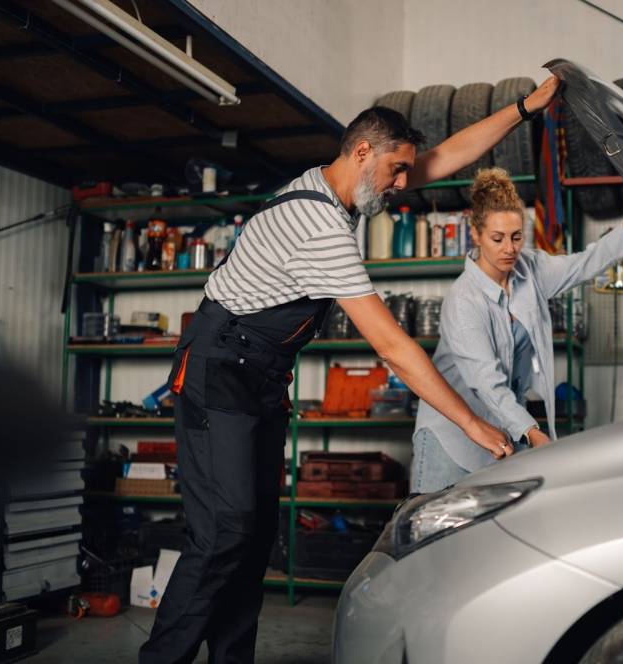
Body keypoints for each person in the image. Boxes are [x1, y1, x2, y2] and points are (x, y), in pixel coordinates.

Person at [139, 76, 561, 664]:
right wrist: (472, 423)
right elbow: (392, 347)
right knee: (223, 536)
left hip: (259, 376)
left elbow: (445, 156)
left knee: (253, 537)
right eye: (395, 171)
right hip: (218, 372)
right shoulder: (319, 228)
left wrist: (522, 109)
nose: (402, 183)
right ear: (363, 152)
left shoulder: (338, 187)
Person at [411, 168, 623, 493]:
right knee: (433, 537)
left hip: (506, 433)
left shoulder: (531, 269)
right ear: (476, 235)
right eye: (497, 239)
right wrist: (533, 433)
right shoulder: (464, 300)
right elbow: (486, 383)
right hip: (450, 439)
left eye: (516, 237)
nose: (509, 249)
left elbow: (583, 264)